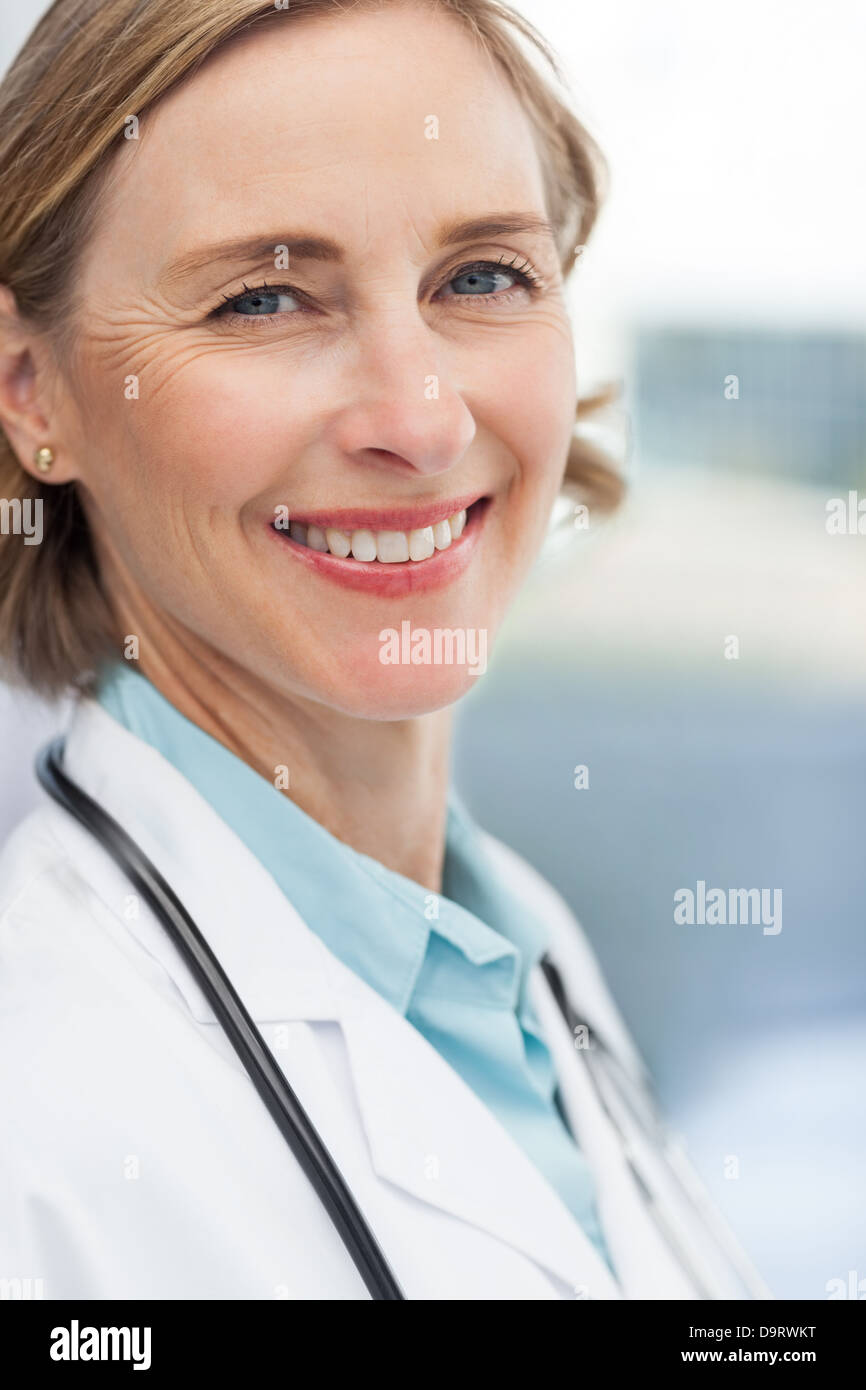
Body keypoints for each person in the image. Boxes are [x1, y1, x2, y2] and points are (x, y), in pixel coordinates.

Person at [0, 0, 765, 1300]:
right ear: (33, 389)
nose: (420, 419)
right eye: (262, 299)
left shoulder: (507, 948)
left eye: (483, 277)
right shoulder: (39, 1127)